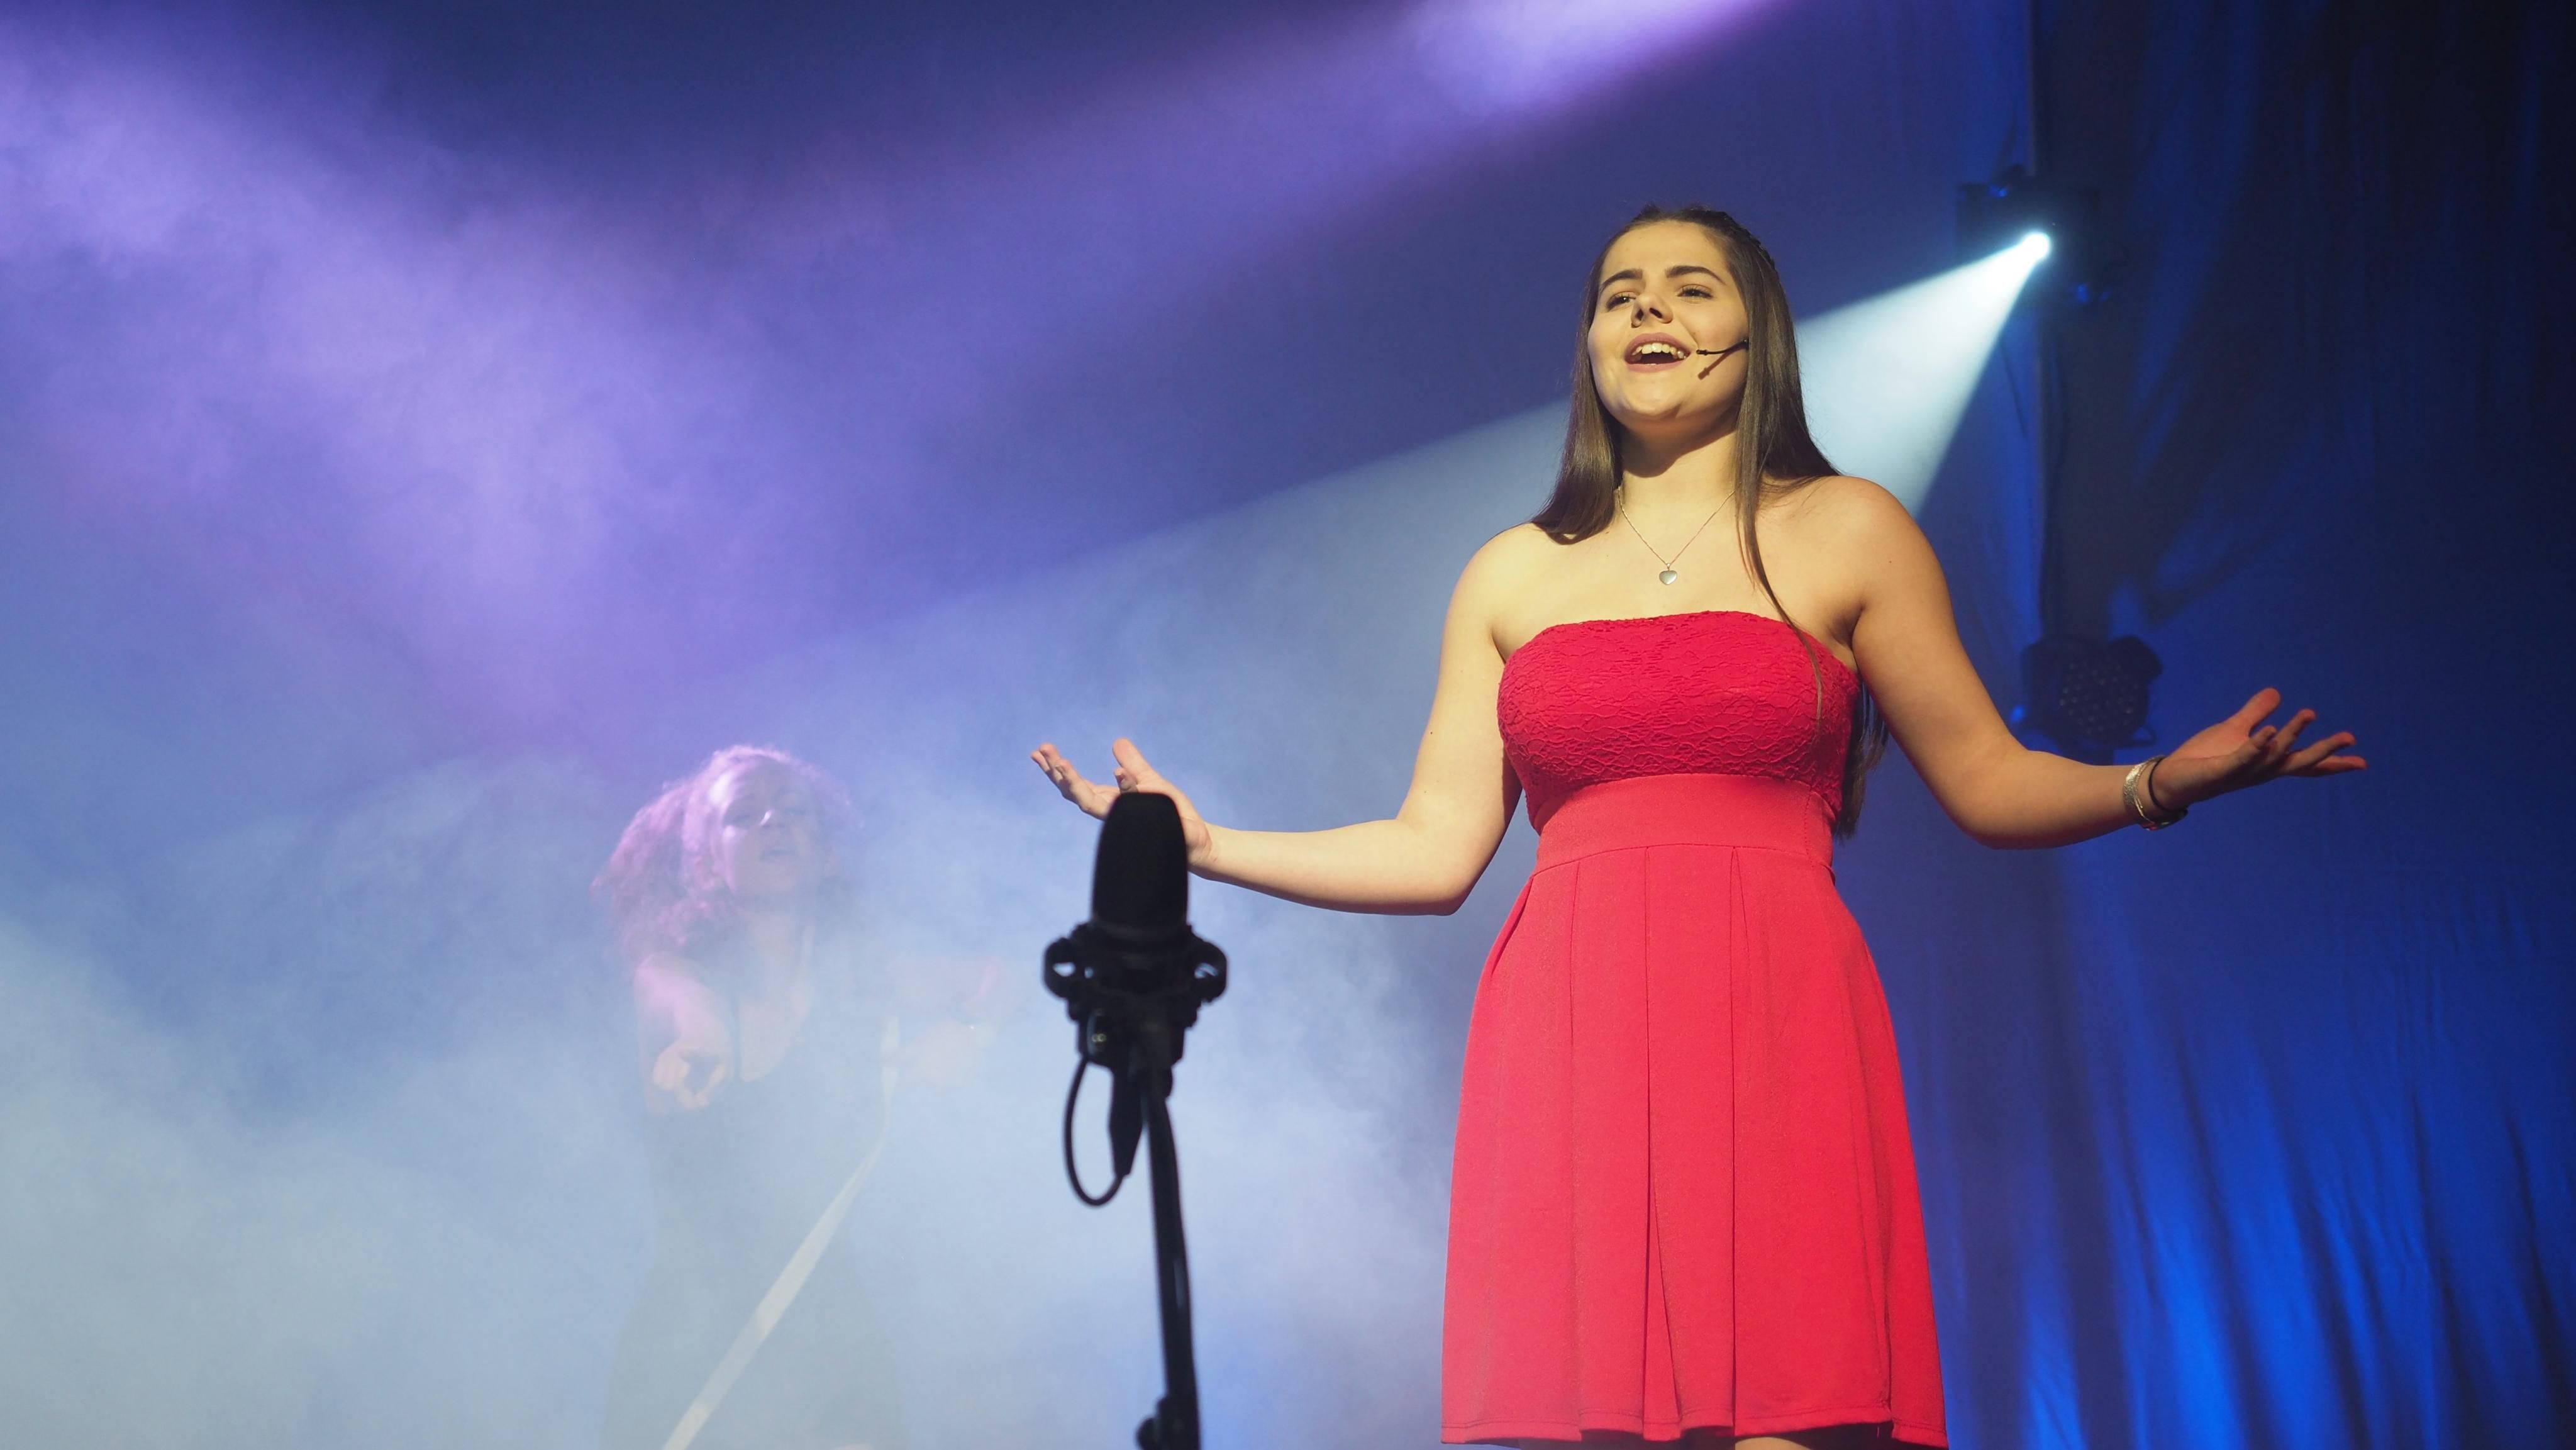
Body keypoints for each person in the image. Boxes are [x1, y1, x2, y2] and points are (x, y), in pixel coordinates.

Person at [1032, 204, 2362, 1449]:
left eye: (1687, 287)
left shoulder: (1846, 528)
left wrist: (2153, 783)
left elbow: (1987, 781)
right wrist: (1207, 845)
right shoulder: (1512, 571)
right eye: (1618, 294)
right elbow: (1433, 849)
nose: (1646, 311)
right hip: (1570, 1028)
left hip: (1773, 1015)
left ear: (1754, 332)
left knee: (1789, 1401)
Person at [595, 746, 909, 1450]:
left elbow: (997, 984)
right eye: (744, 814)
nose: (774, 821)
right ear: (707, 865)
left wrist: (972, 1032)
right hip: (701, 1351)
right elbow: (686, 1004)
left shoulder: (865, 987)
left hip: (836, 1354)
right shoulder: (670, 973)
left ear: (827, 853)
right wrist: (703, 1042)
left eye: (794, 809)